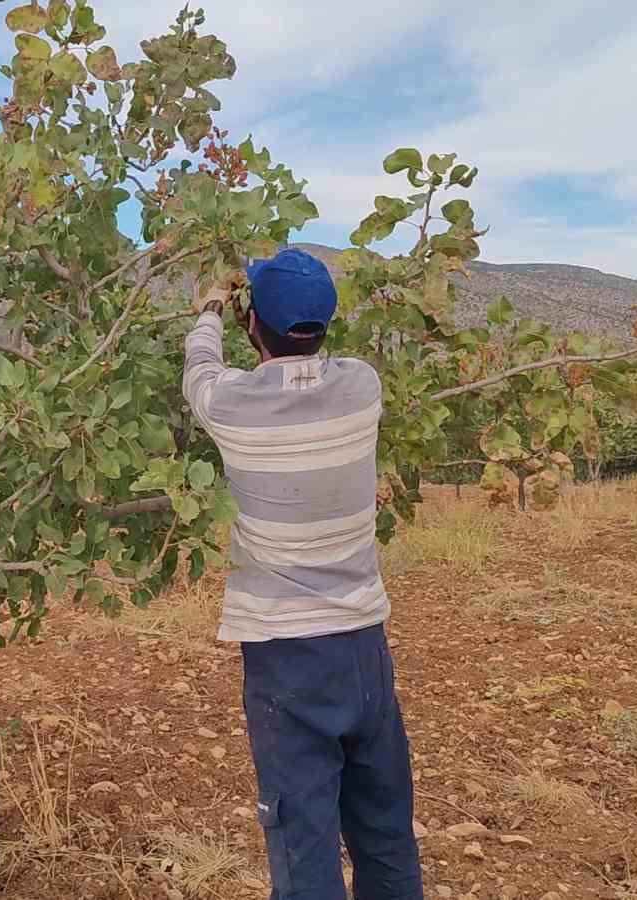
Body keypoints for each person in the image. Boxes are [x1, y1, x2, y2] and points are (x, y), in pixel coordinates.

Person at [181, 248, 423, 899]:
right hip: (364, 648)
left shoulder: (231, 405)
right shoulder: (362, 385)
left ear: (251, 323)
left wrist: (210, 305)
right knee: (387, 835)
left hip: (287, 661)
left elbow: (198, 369)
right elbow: (300, 361)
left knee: (305, 847)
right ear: (326, 324)